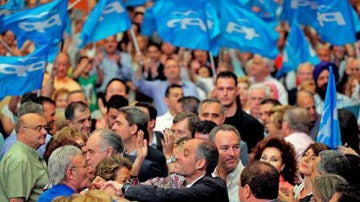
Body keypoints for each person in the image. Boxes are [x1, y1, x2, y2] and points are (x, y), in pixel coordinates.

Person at [113, 139, 229, 202]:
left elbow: (165, 195)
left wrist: (125, 188)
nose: (177, 156)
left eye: (185, 153)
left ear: (200, 163)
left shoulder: (213, 187)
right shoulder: (183, 183)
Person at [0, 113, 49, 201]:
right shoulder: (20, 159)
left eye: (45, 128)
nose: (45, 132)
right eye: (38, 128)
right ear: (23, 132)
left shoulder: (26, 154)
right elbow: (16, 200)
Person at [112, 106, 168, 181]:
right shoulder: (113, 153)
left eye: (118, 124)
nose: (113, 127)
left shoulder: (156, 158)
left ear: (133, 129)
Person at [215, 71, 264, 152]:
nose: (225, 93)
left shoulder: (252, 125)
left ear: (237, 90)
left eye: (229, 89)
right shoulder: (209, 121)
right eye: (221, 89)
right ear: (215, 90)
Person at [134, 58, 198, 116]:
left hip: (186, 124)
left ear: (180, 69)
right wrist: (140, 66)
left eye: (174, 66)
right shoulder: (157, 86)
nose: (172, 69)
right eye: (168, 67)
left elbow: (195, 107)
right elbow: (138, 83)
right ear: (164, 72)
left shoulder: (190, 86)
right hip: (162, 125)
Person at [209, 124, 245, 202]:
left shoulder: (250, 180)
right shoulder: (206, 177)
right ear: (213, 149)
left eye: (236, 147)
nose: (232, 153)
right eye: (225, 148)